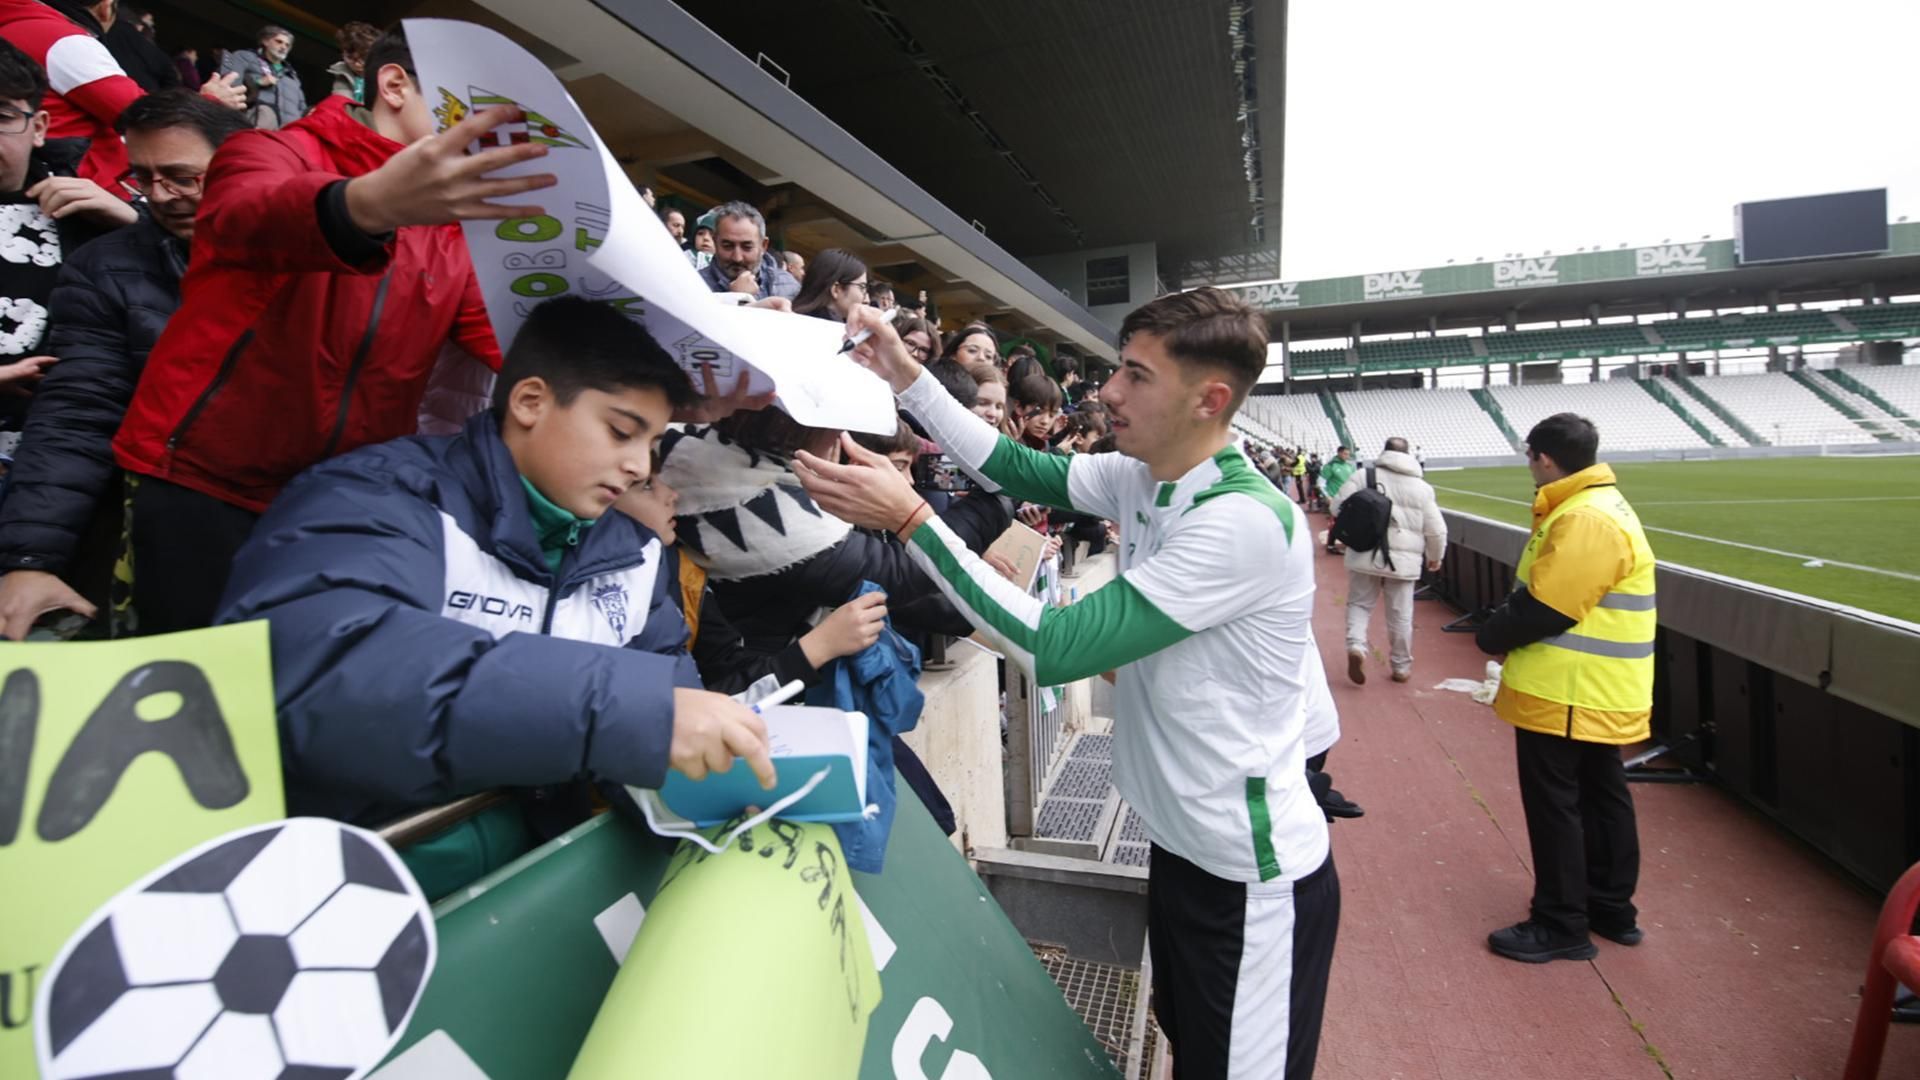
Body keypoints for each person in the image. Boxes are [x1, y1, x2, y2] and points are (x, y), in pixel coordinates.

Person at [796, 289, 1338, 1079]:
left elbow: (1053, 643)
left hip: (1249, 881)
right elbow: (1011, 463)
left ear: (1209, 399)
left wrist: (911, 519)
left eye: (1136, 375)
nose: (1109, 392)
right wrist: (905, 372)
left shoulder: (1243, 520)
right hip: (1186, 854)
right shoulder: (1145, 472)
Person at [216, 297, 774, 897]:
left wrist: (721, 782)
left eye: (654, 443)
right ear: (530, 401)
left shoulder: (636, 556)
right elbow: (323, 675)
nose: (640, 466)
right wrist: (626, 713)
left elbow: (668, 710)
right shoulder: (375, 499)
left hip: (534, 890)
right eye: (620, 431)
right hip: (325, 892)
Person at [108, 27, 559, 634]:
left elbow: (512, 346)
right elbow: (251, 214)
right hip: (202, 483)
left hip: (337, 502)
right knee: (184, 693)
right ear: (395, 84)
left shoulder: (454, 232)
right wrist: (365, 206)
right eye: (470, 108)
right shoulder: (270, 151)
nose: (489, 132)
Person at [0, 90, 247, 640]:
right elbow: (78, 413)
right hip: (150, 529)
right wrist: (31, 559)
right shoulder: (108, 267)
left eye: (184, 177)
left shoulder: (317, 253)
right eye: (144, 177)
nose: (162, 196)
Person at [1475, 412, 1654, 964]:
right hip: (1597, 688)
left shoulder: (1585, 517)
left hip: (1568, 690)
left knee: (1558, 805)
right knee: (1602, 798)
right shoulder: (1596, 508)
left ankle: (1561, 922)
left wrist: (1491, 634)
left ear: (1544, 458)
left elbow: (1549, 606)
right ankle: (1608, 908)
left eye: (1530, 457)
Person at [617, 465, 888, 697]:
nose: (671, 494)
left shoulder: (679, 568)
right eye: (646, 486)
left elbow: (724, 665)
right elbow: (688, 713)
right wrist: (817, 648)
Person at [0, 39, 137, 466]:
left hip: (40, 471)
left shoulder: (87, 215)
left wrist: (134, 224)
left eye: (2, 116)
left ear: (39, 126)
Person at [0, 0, 244, 188]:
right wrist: (211, 101)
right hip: (80, 191)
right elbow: (147, 118)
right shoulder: (63, 40)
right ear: (106, 8)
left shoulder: (16, 26)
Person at [1328, 436, 1446, 685]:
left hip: (1364, 551)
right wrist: (1435, 557)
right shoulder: (1422, 488)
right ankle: (1401, 666)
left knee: (1359, 604)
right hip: (1404, 561)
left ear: (1384, 452)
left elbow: (1337, 507)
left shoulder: (1363, 477)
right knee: (1401, 615)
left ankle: (1357, 647)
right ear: (1409, 454)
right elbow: (1437, 530)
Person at [698, 200, 800, 301]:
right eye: (727, 246)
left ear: (763, 245)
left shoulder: (788, 287)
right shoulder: (696, 286)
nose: (737, 258)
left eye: (747, 247)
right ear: (715, 241)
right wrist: (737, 299)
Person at [220, 24, 303, 129]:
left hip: (287, 133)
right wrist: (257, 82)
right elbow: (229, 86)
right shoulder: (245, 57)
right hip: (252, 125)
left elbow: (301, 107)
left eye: (287, 45)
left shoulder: (292, 75)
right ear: (265, 41)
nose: (283, 47)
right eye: (279, 42)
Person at [791, 247, 867, 321]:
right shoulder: (833, 330)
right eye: (862, 287)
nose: (866, 299)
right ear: (836, 290)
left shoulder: (790, 316)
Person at [1008, 373, 1063, 451]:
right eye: (1039, 412)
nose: (1045, 421)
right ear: (1019, 406)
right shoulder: (1003, 437)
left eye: (1052, 415)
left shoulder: (1043, 443)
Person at [326, 21, 378, 103]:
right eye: (351, 58)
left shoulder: (386, 73)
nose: (357, 64)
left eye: (363, 57)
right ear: (343, 53)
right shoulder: (343, 76)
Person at [1320, 446, 1354, 552]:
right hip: (1335, 498)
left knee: (1349, 522)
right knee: (1336, 522)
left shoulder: (1350, 466)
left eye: (1348, 454)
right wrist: (1327, 496)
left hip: (1349, 497)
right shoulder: (1330, 466)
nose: (1347, 456)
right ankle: (1331, 545)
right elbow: (1321, 482)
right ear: (1339, 453)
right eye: (1345, 454)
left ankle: (1348, 542)